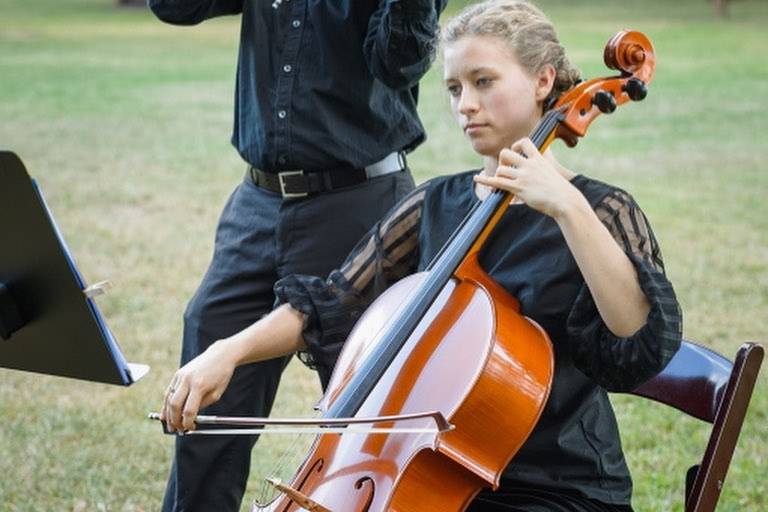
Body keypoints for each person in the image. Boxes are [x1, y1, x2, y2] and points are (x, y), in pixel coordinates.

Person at [160, 1, 683, 510]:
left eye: (484, 82)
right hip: (435, 472)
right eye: (454, 88)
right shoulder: (436, 202)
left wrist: (567, 207)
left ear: (543, 82)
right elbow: (331, 299)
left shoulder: (601, 209)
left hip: (555, 489)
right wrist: (227, 351)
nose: (465, 105)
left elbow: (637, 338)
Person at [147, 0, 447, 510]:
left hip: (360, 204)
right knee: (207, 413)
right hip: (257, 204)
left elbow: (400, 61)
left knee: (365, 419)